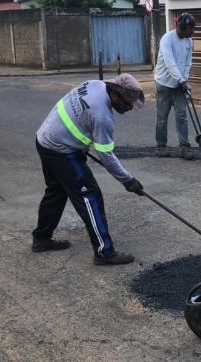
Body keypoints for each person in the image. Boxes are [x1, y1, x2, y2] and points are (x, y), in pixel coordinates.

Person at [31, 74, 146, 266]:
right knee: (90, 195)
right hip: (61, 150)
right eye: (127, 103)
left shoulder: (95, 84)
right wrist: (128, 180)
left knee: (56, 192)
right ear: (115, 95)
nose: (128, 109)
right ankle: (104, 252)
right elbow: (107, 156)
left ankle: (41, 238)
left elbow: (79, 116)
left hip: (45, 138)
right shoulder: (103, 117)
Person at [154, 12, 196, 160]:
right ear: (184, 27)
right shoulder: (167, 39)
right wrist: (180, 79)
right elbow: (169, 62)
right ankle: (161, 147)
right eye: (192, 28)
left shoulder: (189, 42)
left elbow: (187, 62)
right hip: (164, 84)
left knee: (182, 116)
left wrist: (184, 79)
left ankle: (185, 147)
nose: (193, 31)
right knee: (162, 117)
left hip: (179, 85)